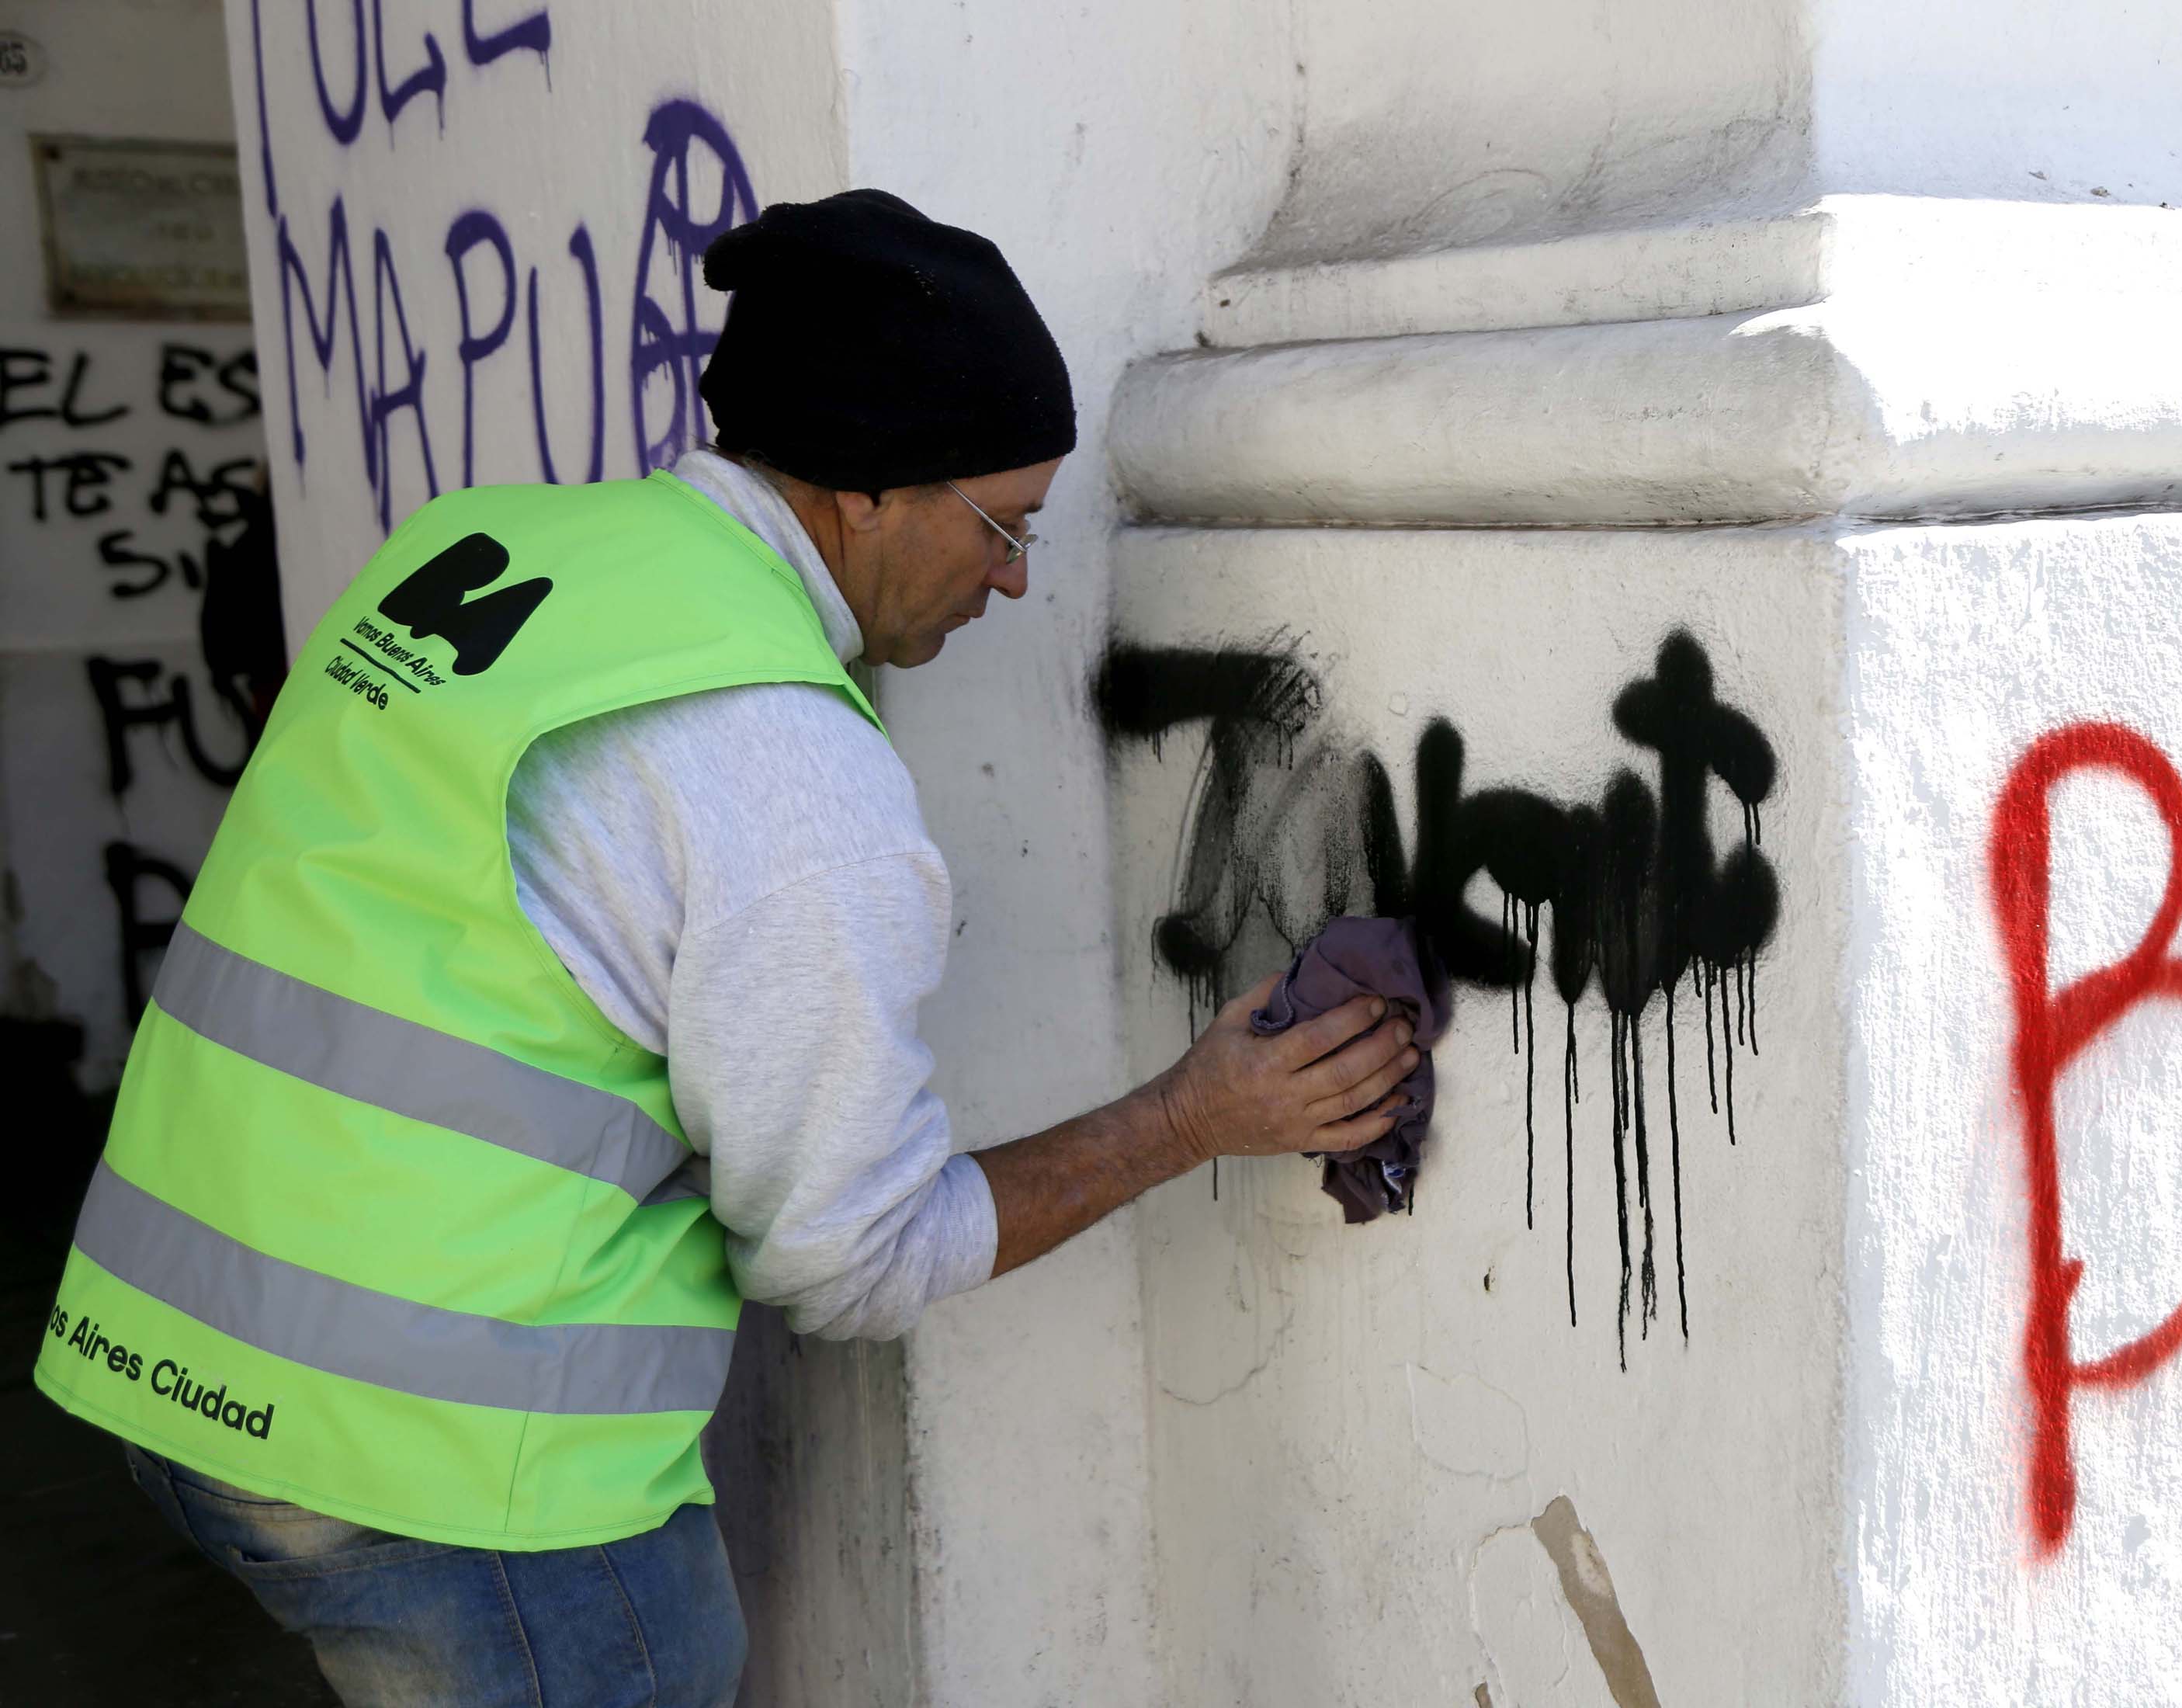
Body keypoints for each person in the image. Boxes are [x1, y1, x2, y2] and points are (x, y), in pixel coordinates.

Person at [33, 189, 1420, 1707]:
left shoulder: (485, 544)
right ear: (864, 488)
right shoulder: (789, 776)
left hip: (174, 1365)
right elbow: (852, 1257)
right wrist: (1190, 1116)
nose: (1018, 574)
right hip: (430, 1468)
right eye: (1004, 519)